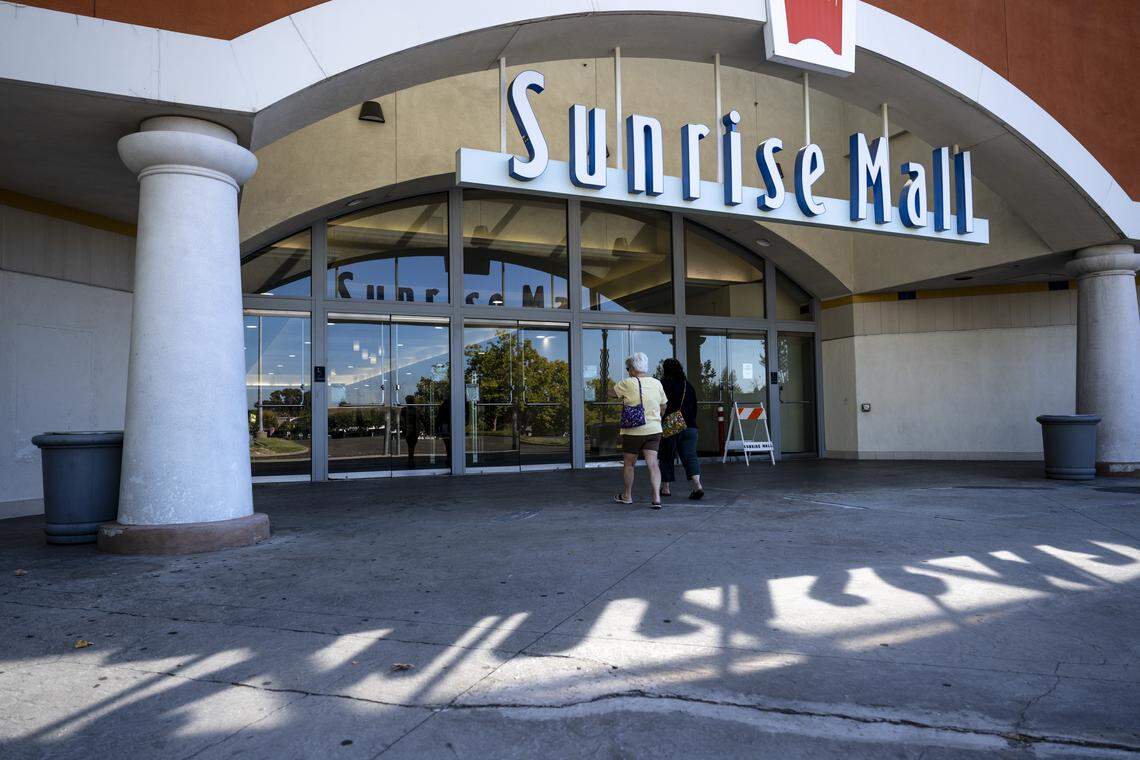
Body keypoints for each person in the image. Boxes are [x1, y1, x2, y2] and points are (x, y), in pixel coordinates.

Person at [609, 352, 668, 509]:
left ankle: (627, 495)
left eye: (628, 368)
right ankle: (656, 497)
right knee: (653, 464)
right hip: (654, 430)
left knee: (629, 464)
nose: (628, 370)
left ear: (633, 368)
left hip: (633, 431)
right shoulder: (657, 383)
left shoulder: (627, 382)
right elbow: (663, 406)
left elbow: (611, 393)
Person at [658, 358, 705, 500]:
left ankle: (665, 488)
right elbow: (694, 408)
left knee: (666, 455)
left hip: (671, 425)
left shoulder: (663, 384)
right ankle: (697, 485)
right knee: (690, 456)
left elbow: (659, 405)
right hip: (690, 426)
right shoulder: (688, 386)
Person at [400, 395, 420, 469]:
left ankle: (411, 460)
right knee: (411, 446)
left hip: (411, 430)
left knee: (411, 446)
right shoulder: (412, 410)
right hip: (410, 430)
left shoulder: (405, 410)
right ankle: (411, 460)